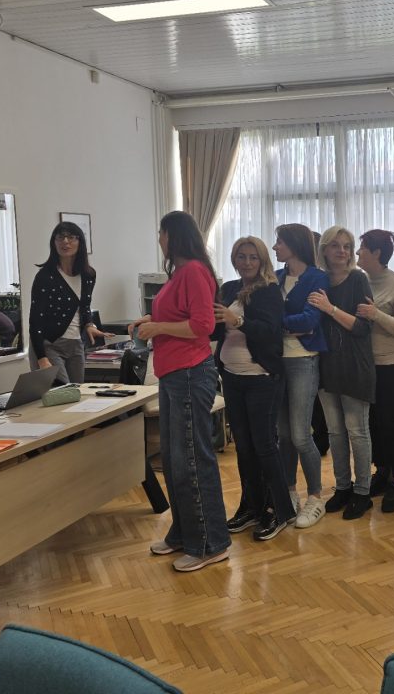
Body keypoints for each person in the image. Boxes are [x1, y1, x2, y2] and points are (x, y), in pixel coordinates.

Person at [131, 211, 230, 572]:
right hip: (174, 374)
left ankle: (209, 543)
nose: (159, 239)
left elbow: (202, 325)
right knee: (174, 461)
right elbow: (180, 317)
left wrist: (158, 327)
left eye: (162, 233)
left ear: (174, 236)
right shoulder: (181, 273)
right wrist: (151, 322)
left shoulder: (193, 271)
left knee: (191, 460)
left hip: (190, 373)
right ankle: (185, 532)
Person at [212, 236, 296, 542]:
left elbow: (269, 331)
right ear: (234, 259)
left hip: (261, 378)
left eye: (253, 257)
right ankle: (252, 506)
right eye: (241, 256)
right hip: (232, 377)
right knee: (244, 448)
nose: (247, 262)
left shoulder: (269, 290)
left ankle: (280, 510)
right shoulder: (229, 289)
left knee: (264, 446)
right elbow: (215, 329)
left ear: (262, 261)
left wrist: (237, 320)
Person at [307, 226, 375, 520]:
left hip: (354, 365)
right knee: (335, 432)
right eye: (336, 245)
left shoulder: (359, 279)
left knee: (357, 431)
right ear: (324, 249)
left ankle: (362, 491)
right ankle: (343, 487)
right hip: (325, 366)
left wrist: (329, 308)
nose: (343, 251)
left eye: (347, 246)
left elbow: (362, 327)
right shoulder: (318, 280)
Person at [273, 223, 330, 529]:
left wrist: (277, 323)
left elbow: (310, 321)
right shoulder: (275, 277)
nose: (275, 247)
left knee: (300, 434)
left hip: (303, 361)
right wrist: (288, 324)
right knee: (283, 435)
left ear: (294, 244)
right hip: (277, 363)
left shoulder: (317, 278)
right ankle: (290, 492)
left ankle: (315, 497)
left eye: (279, 242)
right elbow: (269, 316)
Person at [356, 229, 394, 513]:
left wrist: (375, 314)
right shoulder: (359, 281)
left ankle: (393, 481)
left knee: (388, 422)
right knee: (370, 423)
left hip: (390, 363)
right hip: (364, 364)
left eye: (362, 248)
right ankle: (379, 471)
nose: (357, 253)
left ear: (377, 253)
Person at [28, 221, 110, 385]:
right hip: (49, 344)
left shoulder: (88, 275)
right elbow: (35, 320)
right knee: (62, 393)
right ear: (54, 242)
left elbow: (84, 306)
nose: (65, 242)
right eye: (60, 237)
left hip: (76, 343)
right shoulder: (45, 276)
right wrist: (41, 357)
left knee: (77, 393)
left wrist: (89, 325)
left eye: (71, 237)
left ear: (80, 242)